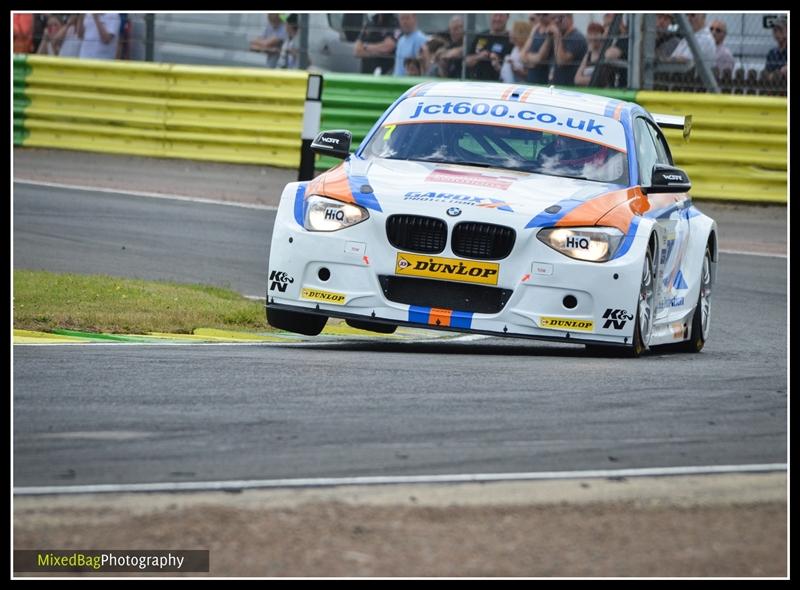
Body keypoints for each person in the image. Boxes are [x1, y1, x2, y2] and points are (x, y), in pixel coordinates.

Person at [465, 13, 513, 81]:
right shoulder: (481, 35)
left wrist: (497, 65)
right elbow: (466, 62)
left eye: (501, 15)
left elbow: (514, 72)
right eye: (495, 15)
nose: (497, 19)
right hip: (476, 83)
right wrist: (479, 56)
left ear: (508, 17)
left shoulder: (511, 39)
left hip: (499, 85)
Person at [551, 13, 587, 86]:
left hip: (570, 87)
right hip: (559, 85)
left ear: (570, 18)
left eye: (560, 18)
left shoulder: (576, 37)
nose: (556, 21)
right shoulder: (562, 36)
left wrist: (557, 36)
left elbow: (561, 61)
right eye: (553, 18)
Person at [522, 13, 555, 84]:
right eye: (538, 14)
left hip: (544, 78)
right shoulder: (536, 28)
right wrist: (530, 60)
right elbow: (522, 55)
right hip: (531, 77)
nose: (541, 17)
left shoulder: (552, 30)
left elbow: (540, 58)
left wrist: (527, 58)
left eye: (544, 14)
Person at [574, 22, 605, 86]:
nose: (593, 37)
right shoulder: (588, 55)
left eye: (596, 34)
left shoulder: (605, 54)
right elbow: (577, 79)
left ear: (602, 35)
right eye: (590, 34)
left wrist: (584, 79)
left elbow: (601, 79)